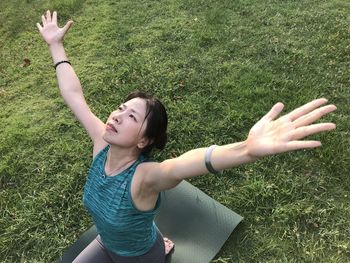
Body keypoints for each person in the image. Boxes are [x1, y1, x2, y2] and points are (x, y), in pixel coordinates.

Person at [37, 10, 336, 263]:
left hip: (138, 256)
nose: (116, 115)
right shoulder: (101, 143)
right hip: (107, 242)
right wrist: (55, 46)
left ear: (144, 141)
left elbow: (181, 165)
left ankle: (159, 246)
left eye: (132, 117)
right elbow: (74, 95)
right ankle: (158, 238)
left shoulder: (144, 177)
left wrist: (246, 149)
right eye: (120, 108)